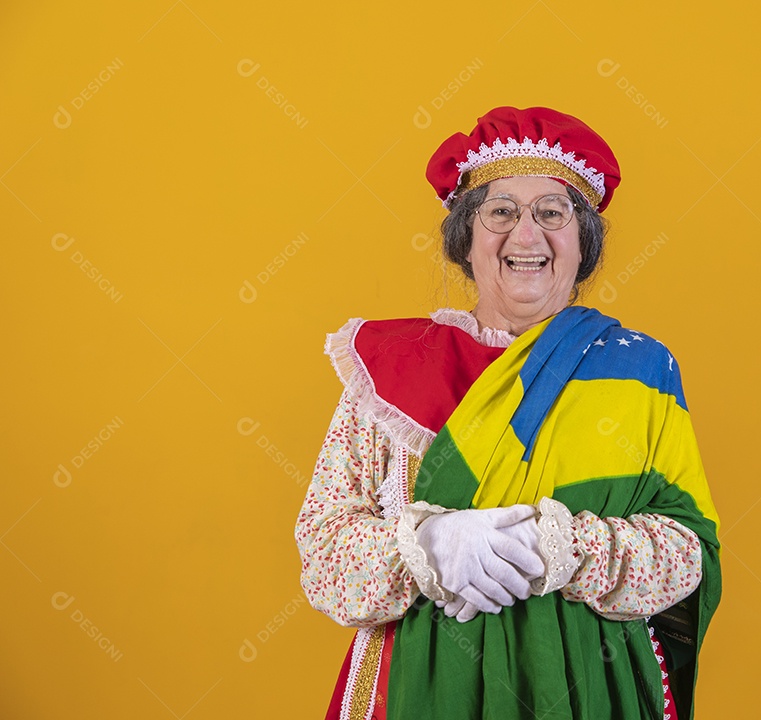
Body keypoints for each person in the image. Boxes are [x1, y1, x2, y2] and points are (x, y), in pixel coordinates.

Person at [295, 106, 721, 720]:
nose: (527, 236)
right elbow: (325, 558)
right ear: (466, 238)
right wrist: (427, 548)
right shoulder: (390, 374)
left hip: (589, 692)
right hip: (418, 688)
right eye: (501, 212)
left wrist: (565, 548)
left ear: (584, 243)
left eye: (553, 212)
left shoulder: (638, 371)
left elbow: (687, 554)